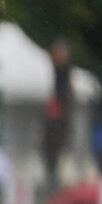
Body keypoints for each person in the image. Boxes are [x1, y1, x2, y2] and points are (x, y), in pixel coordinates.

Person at [43, 39, 73, 187]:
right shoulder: (49, 69)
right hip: (54, 111)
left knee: (58, 143)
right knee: (51, 145)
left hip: (60, 111)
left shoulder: (65, 70)